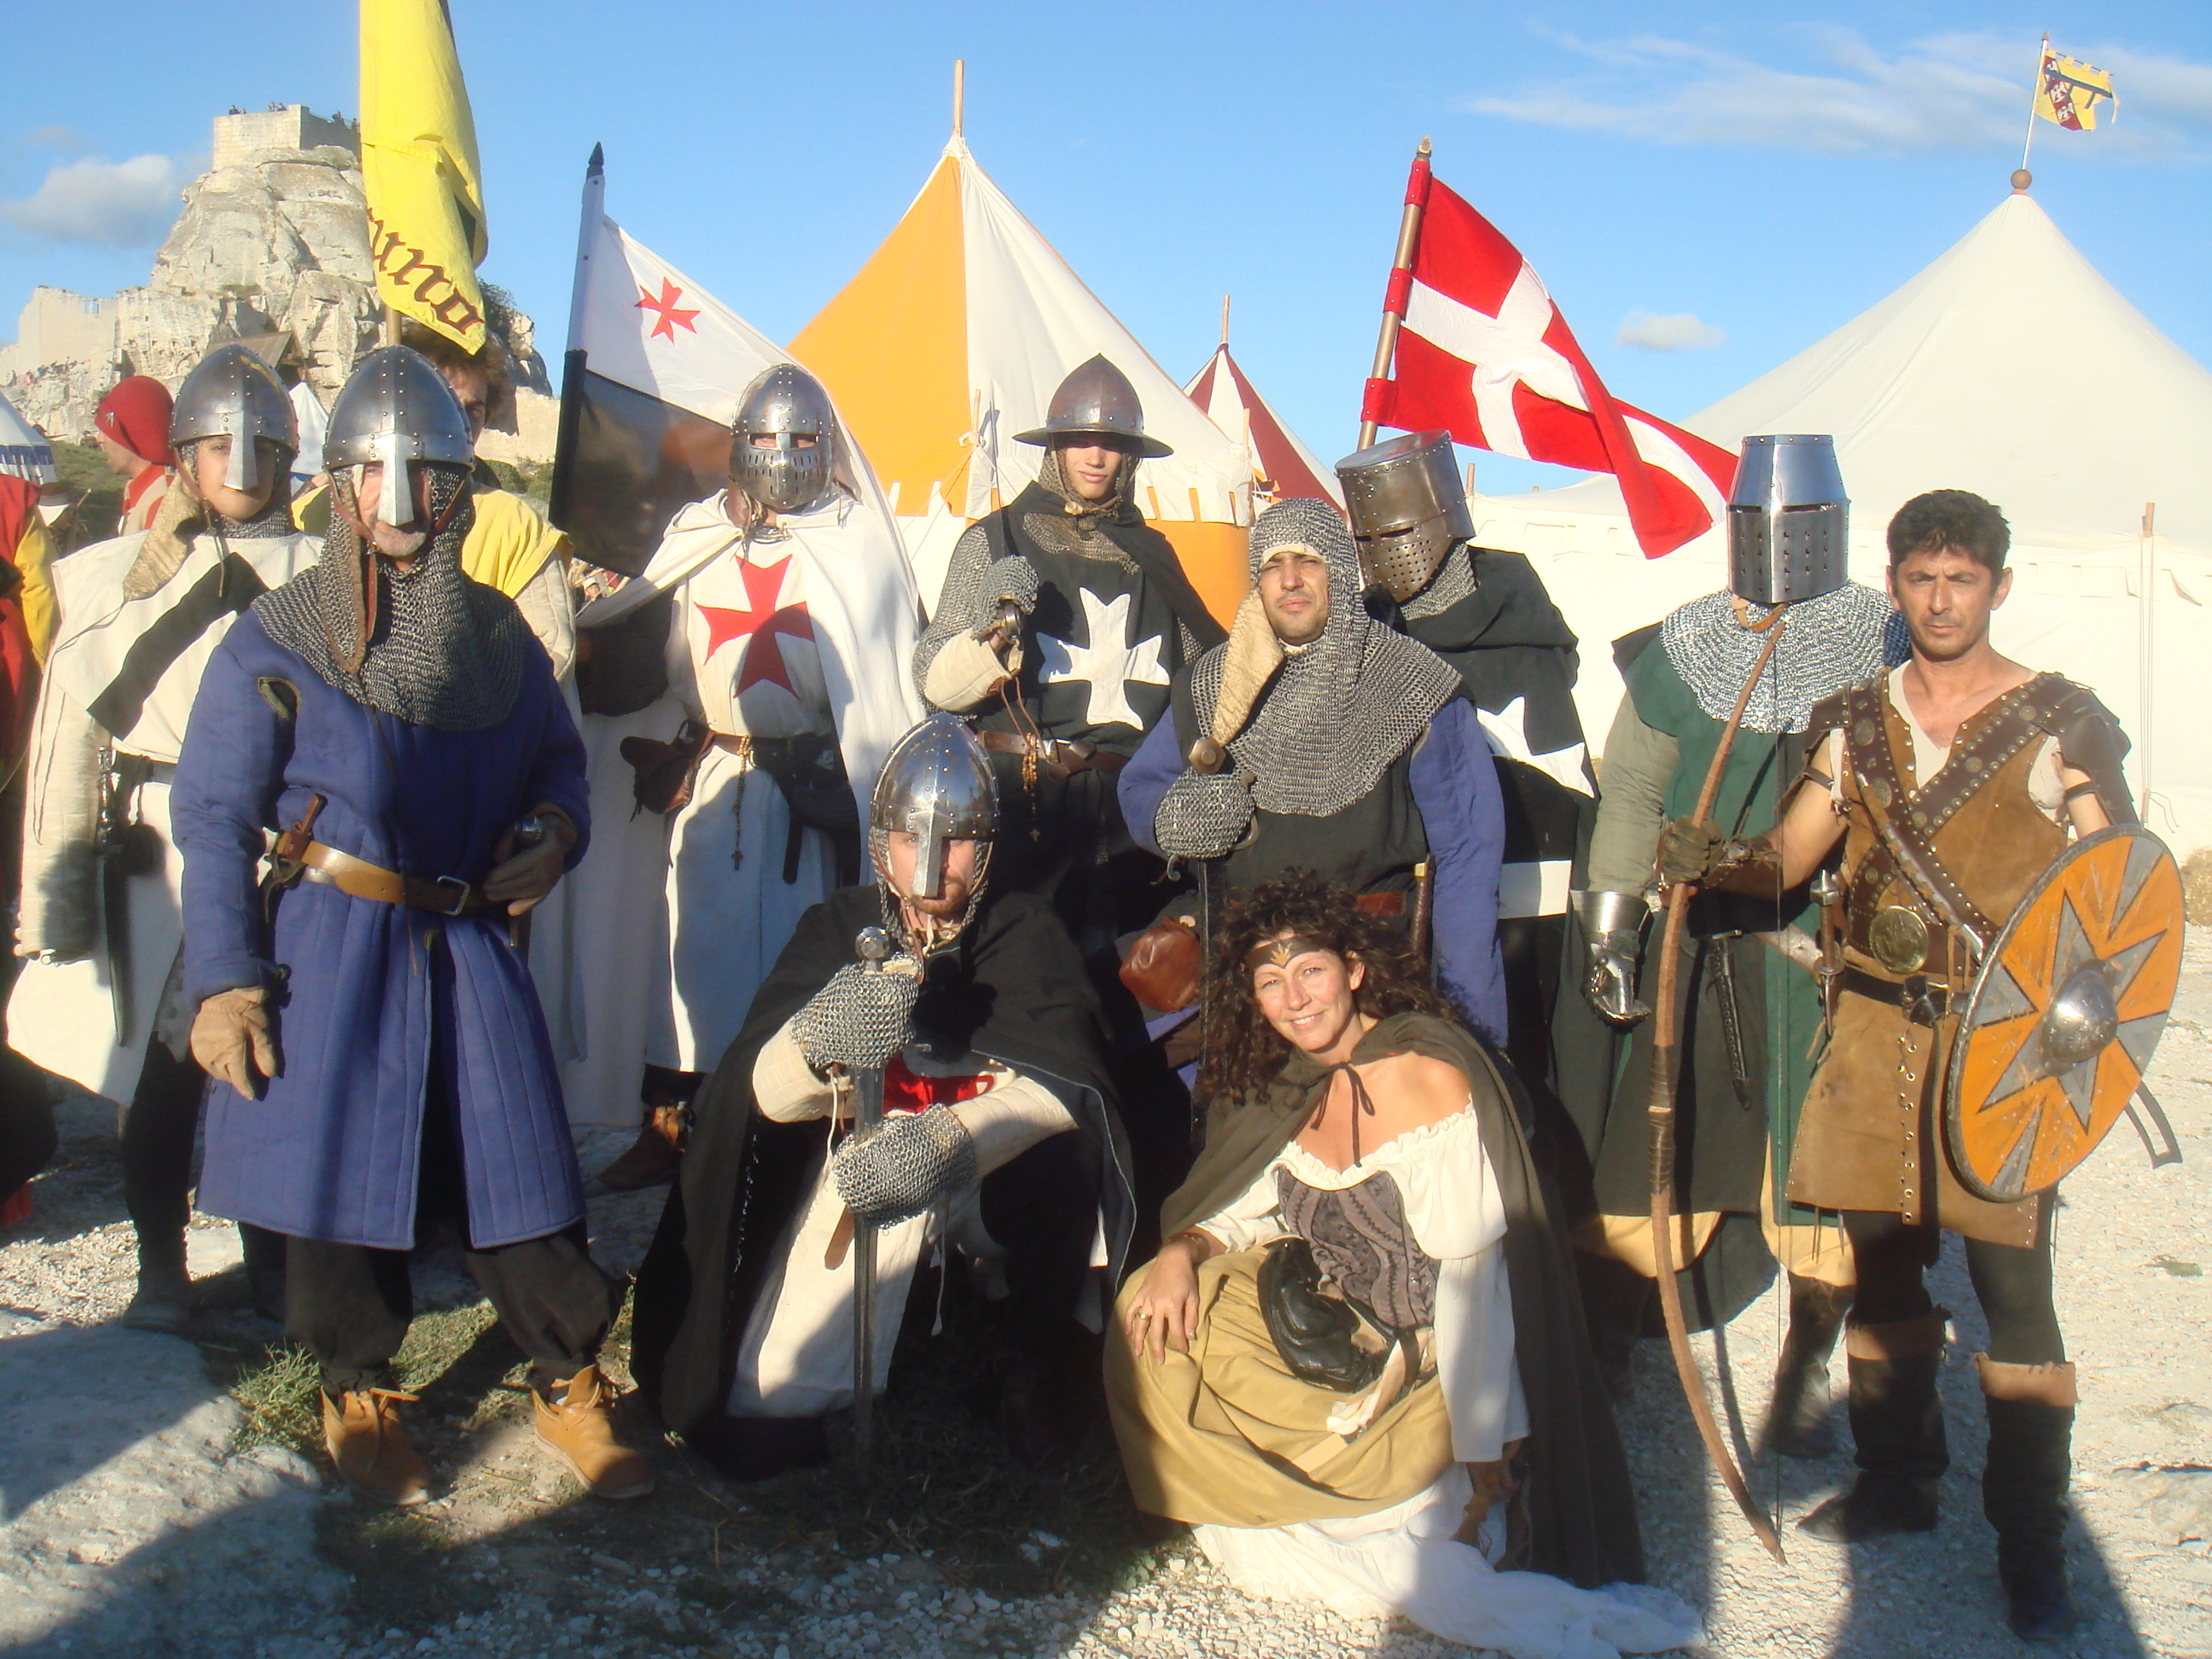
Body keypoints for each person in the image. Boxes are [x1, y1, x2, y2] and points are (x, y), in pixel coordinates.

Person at [171, 345, 649, 1509]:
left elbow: (557, 764)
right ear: (339, 486)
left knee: (517, 1173)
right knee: (344, 1180)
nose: (400, 499)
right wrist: (226, 977)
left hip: (469, 942)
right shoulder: (279, 636)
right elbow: (216, 811)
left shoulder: (496, 639)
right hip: (334, 945)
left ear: (458, 486)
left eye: (427, 473)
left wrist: (555, 829)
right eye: (376, 474)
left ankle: (567, 1376)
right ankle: (359, 1389)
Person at [1660, 488, 2134, 1641]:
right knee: (1880, 1270)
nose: (1940, 601)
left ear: (1998, 587)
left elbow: (2121, 886)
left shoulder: (2060, 721)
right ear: (1896, 583)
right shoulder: (1857, 722)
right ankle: (1898, 1481)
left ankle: (2032, 1545)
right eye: (1921, 579)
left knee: (2016, 1296)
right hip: (1874, 1029)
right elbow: (1792, 858)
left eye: (1962, 579)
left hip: (2002, 1044)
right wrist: (1717, 861)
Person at [1106, 871, 1700, 1658]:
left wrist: (1485, 1448)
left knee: (1400, 1545)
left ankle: (1355, 1484)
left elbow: (1477, 1283)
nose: (1296, 1000)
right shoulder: (1288, 1082)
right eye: (1272, 983)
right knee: (1151, 1306)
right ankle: (1252, 1476)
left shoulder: (1430, 1077)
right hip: (1339, 1335)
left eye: (1311, 971)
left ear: (1354, 969)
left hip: (1441, 1371)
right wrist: (1181, 1252)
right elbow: (1253, 1206)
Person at [631, 713, 1132, 1480]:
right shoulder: (836, 927)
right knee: (772, 1406)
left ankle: (1029, 1366)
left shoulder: (1024, 930)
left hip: (981, 1173)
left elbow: (1070, 1084)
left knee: (1069, 1166)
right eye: (908, 838)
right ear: (880, 842)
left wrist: (951, 1140)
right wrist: (816, 1043)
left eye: (954, 839)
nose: (929, 862)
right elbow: (756, 1093)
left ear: (985, 845)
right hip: (853, 1174)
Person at [1563, 443, 1883, 1440]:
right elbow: (1632, 791)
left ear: (1830, 528)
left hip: (1826, 953)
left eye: (1796, 527)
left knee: (1825, 1183)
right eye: (1759, 524)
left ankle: (1807, 1366)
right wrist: (1613, 925)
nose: (1778, 546)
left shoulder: (1887, 644)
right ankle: (1612, 1348)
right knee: (1655, 1157)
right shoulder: (1692, 644)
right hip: (1696, 942)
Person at [11, 342, 318, 1330]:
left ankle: (275, 1264)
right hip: (162, 839)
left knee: (277, 1053)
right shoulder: (116, 578)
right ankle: (160, 1270)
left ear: (291, 453)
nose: (242, 465)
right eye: (220, 445)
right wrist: (55, 895)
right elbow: (71, 742)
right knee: (162, 1074)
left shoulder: (329, 574)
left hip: (288, 841)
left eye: (262, 445)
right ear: (185, 455)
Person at [563, 362, 920, 1188]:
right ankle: (670, 1125)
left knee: (797, 965)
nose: (781, 453)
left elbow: (884, 683)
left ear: (824, 445)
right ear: (739, 444)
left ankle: (780, 1133)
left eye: (797, 438)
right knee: (687, 956)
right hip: (717, 777)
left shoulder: (856, 543)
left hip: (811, 791)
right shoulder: (701, 530)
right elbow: (646, 641)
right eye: (764, 437)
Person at [1119, 498, 1507, 1044]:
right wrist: (1177, 819)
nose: (1290, 580)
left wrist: (1470, 1020)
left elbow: (1468, 855)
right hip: (1243, 963)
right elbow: (1139, 788)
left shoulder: (1413, 685)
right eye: (1273, 565)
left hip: (1367, 965)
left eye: (1308, 561)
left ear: (1340, 573)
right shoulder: (1211, 683)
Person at [912, 353, 1224, 947]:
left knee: (1127, 974)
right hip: (1021, 804)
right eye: (1080, 440)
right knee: (1016, 962)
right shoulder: (996, 539)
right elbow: (935, 682)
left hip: (1126, 815)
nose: (1095, 456)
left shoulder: (1153, 554)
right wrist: (994, 632)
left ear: (1130, 456)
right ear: (1055, 448)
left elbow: (1200, 680)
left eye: (1111, 444)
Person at [1336, 433, 1595, 1102]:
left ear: (1442, 519)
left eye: (1398, 533)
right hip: (1411, 912)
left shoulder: (1522, 639)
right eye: (1368, 539)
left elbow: (1568, 787)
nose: (1385, 552)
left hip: (1535, 904)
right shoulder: (1366, 643)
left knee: (1534, 1074)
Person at [92, 375, 176, 538]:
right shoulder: (143, 492)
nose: (99, 439)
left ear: (133, 434)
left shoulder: (162, 502)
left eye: (107, 431)